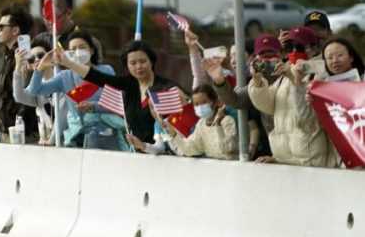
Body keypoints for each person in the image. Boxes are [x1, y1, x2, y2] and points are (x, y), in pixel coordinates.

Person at [55, 40, 184, 147]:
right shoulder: (128, 84)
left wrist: (182, 98)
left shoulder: (166, 87)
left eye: (143, 61)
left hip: (164, 155)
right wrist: (69, 63)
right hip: (134, 154)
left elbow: (183, 113)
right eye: (133, 63)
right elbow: (97, 77)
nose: (139, 66)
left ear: (152, 61)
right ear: (127, 66)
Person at [248, 27, 340, 167]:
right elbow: (267, 106)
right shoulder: (285, 71)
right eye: (289, 47)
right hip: (286, 158)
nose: (294, 51)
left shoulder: (322, 71)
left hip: (311, 159)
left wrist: (293, 78)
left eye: (299, 46)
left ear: (313, 48)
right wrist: (257, 81)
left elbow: (308, 116)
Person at [25, 31, 124, 149]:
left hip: (103, 135)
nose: (77, 51)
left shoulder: (106, 71)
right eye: (73, 49)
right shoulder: (65, 76)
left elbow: (116, 104)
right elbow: (34, 91)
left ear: (92, 50)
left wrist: (94, 106)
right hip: (75, 137)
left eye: (82, 47)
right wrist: (40, 67)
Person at [155, 84, 238, 160]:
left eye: (204, 102)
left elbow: (227, 149)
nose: (200, 107)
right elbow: (189, 149)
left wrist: (218, 124)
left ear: (216, 102)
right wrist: (173, 134)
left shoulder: (227, 121)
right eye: (197, 104)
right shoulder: (201, 124)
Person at [0, 5, 34, 141]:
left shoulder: (26, 56)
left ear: (15, 30)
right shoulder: (9, 56)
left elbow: (24, 94)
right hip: (7, 129)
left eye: (1, 27)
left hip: (21, 131)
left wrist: (18, 123)